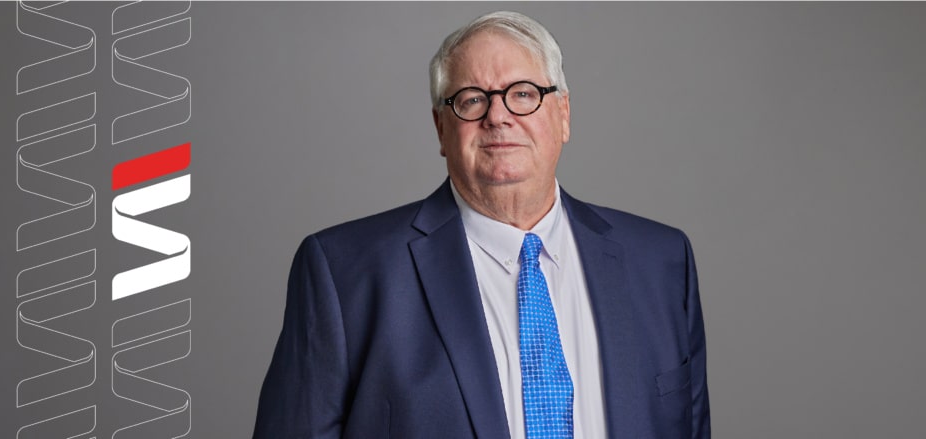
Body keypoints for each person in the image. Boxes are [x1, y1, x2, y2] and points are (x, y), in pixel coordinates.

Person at [255, 10, 709, 439]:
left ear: (564, 115)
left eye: (524, 93)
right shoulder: (344, 272)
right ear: (440, 129)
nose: (498, 116)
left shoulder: (662, 262)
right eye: (472, 100)